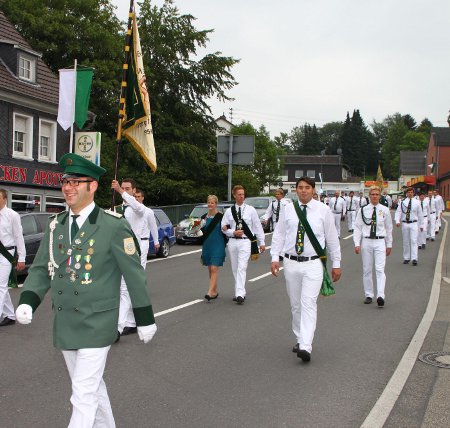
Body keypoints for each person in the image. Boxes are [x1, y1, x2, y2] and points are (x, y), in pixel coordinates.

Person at [15, 153, 157, 427]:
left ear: (92, 186)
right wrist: (28, 300)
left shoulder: (113, 226)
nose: (68, 187)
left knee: (82, 393)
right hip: (67, 321)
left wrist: (145, 319)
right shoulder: (57, 226)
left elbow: (134, 275)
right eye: (65, 182)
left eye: (76, 182)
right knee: (91, 389)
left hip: (98, 322)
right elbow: (42, 268)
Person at [270, 177, 341, 362]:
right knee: (295, 305)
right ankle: (299, 337)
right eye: (300, 188)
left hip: (313, 263)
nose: (303, 191)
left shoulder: (323, 210)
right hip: (291, 262)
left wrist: (337, 263)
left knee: (308, 303)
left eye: (307, 188)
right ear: (296, 190)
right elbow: (279, 233)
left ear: (313, 190)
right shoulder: (288, 209)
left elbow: (332, 238)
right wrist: (274, 258)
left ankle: (306, 345)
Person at [111, 178, 152, 336]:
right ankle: (132, 322)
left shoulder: (139, 208)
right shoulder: (121, 209)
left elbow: (137, 207)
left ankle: (118, 327)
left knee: (127, 287)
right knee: (127, 288)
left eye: (128, 188)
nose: (125, 190)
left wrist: (120, 192)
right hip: (122, 250)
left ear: (134, 191)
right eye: (123, 188)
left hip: (137, 249)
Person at [221, 185, 265, 304]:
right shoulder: (229, 211)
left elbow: (257, 226)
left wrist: (262, 242)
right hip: (232, 241)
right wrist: (232, 232)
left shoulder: (250, 209)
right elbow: (223, 227)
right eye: (239, 194)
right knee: (235, 268)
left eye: (243, 194)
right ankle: (240, 291)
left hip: (245, 241)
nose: (241, 196)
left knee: (242, 267)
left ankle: (239, 293)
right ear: (234, 195)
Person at [353, 186, 393, 306]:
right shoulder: (363, 210)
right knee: (367, 269)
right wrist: (357, 243)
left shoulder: (385, 210)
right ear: (369, 196)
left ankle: (380, 295)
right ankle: (369, 294)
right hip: (367, 241)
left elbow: (389, 228)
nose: (375, 196)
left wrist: (389, 244)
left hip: (380, 241)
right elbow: (357, 227)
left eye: (377, 194)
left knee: (380, 269)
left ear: (380, 196)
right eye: (372, 194)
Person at [0, 188, 26, 326]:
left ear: (5, 199)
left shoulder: (12, 215)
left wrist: (22, 258)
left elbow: (18, 237)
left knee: (0, 286)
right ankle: (9, 315)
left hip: (7, 254)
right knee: (1, 286)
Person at [201, 195, 226, 301]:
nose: (210, 204)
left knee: (214, 268)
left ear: (216, 204)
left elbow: (227, 229)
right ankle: (214, 291)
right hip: (207, 244)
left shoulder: (221, 216)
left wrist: (226, 228)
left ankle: (209, 292)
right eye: (209, 202)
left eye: (212, 202)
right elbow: (200, 231)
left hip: (218, 244)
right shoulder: (203, 217)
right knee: (210, 269)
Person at [394, 187, 423, 266]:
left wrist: (421, 225)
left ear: (413, 193)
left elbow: (420, 214)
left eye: (411, 192)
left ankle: (414, 258)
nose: (410, 193)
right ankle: (406, 258)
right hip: (405, 223)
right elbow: (398, 212)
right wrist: (397, 220)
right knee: (406, 241)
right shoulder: (402, 202)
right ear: (406, 193)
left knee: (414, 240)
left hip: (414, 223)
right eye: (409, 192)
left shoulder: (417, 202)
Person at [135, 188, 160, 254]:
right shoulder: (129, 211)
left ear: (142, 198)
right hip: (132, 242)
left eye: (138, 196)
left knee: (141, 263)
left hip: (143, 241)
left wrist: (156, 242)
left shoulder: (149, 211)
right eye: (135, 196)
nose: (136, 198)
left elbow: (153, 227)